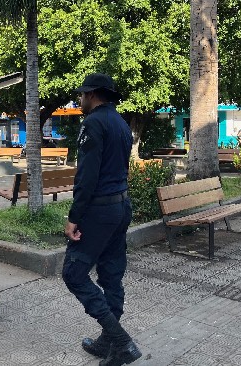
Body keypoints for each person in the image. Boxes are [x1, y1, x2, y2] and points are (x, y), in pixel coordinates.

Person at [62, 73, 142, 366]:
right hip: (120, 206)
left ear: (92, 94)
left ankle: (120, 342)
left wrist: (74, 217)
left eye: (82, 95)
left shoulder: (93, 123)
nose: (80, 99)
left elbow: (87, 175)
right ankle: (109, 341)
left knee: (73, 274)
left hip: (99, 211)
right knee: (111, 275)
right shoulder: (121, 123)